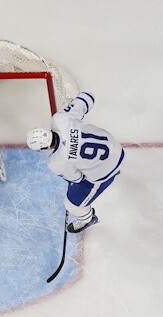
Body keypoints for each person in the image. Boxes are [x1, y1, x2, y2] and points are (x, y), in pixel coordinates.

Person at [26, 92, 125, 233]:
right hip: (113, 144)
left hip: (106, 170)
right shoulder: (60, 119)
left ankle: (88, 219)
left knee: (72, 204)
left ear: (43, 148)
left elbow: (78, 178)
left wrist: (70, 164)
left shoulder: (56, 163)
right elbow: (87, 98)